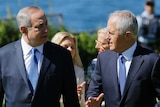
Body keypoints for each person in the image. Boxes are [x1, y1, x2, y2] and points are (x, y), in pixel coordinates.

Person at [0, 6, 80, 107]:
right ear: (23, 29)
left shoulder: (62, 55)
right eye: (40, 26)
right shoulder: (4, 56)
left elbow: (71, 100)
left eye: (46, 24)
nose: (46, 30)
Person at [85, 10, 160, 107]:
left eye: (111, 33)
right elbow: (94, 91)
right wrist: (92, 101)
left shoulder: (152, 61)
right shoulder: (103, 59)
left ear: (127, 35)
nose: (107, 37)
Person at [51, 32, 85, 107]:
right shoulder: (46, 69)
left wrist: (78, 98)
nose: (70, 50)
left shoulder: (79, 72)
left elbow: (83, 104)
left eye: (72, 47)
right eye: (65, 47)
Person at [86, 28, 109, 107]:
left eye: (102, 44)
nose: (96, 46)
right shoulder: (94, 63)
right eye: (97, 42)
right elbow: (91, 90)